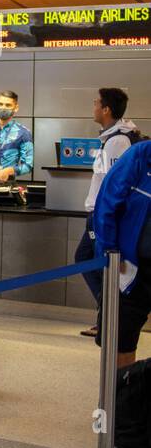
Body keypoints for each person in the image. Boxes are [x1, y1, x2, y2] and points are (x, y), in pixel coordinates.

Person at [76, 88, 139, 337]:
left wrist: (106, 217)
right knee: (87, 259)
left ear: (106, 109)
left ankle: (109, 317)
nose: (93, 107)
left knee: (93, 262)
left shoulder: (118, 142)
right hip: (97, 213)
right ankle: (106, 315)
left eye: (96, 103)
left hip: (102, 215)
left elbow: (116, 184)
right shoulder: (111, 138)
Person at [92, 139, 151, 370]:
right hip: (130, 267)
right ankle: (119, 391)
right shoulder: (140, 156)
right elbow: (106, 204)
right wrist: (109, 250)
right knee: (120, 342)